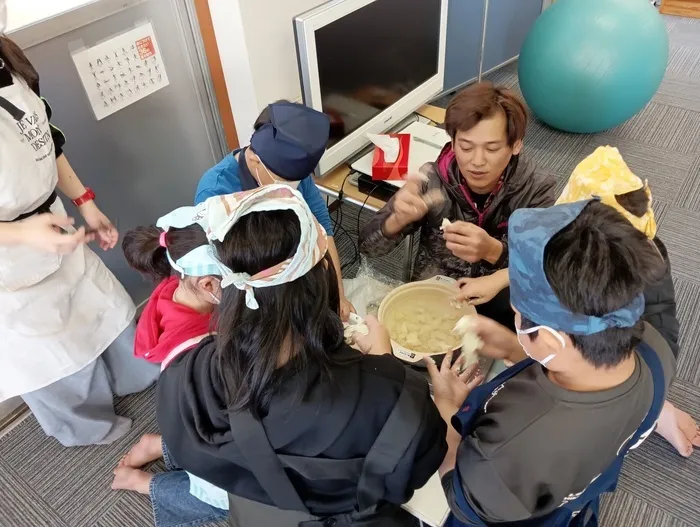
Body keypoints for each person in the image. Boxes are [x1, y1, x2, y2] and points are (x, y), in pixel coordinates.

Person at [113, 186, 446, 527]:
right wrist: (385, 366)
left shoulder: (184, 375)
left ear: (222, 288)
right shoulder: (396, 400)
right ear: (323, 276)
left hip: (252, 510)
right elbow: (414, 472)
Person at [422, 199, 676, 525]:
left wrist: (446, 408)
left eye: (517, 313)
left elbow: (463, 496)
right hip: (573, 490)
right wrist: (514, 346)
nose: (515, 318)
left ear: (550, 340)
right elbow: (568, 360)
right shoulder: (654, 348)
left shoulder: (512, 449)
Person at [0, 18, 157, 446]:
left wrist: (85, 202)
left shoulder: (8, 57)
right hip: (10, 259)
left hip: (51, 222)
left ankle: (133, 377)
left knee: (102, 309)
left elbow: (45, 142)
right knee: (53, 354)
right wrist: (23, 235)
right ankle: (89, 428)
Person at [359, 82, 556, 328]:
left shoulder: (536, 189)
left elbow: (546, 265)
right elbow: (367, 248)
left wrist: (493, 251)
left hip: (503, 304)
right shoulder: (431, 180)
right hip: (434, 299)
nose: (477, 161)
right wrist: (395, 221)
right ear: (452, 143)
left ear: (516, 145)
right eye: (466, 147)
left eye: (492, 148)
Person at [556, 146, 699, 457]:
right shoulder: (567, 246)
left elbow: (661, 321)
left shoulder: (647, 261)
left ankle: (656, 412)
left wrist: (650, 391)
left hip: (625, 350)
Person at [195, 100, 355, 320]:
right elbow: (231, 271)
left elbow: (323, 228)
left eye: (295, 182)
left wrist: (338, 295)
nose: (290, 189)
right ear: (254, 160)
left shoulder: (292, 172)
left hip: (295, 269)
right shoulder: (217, 193)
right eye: (283, 182)